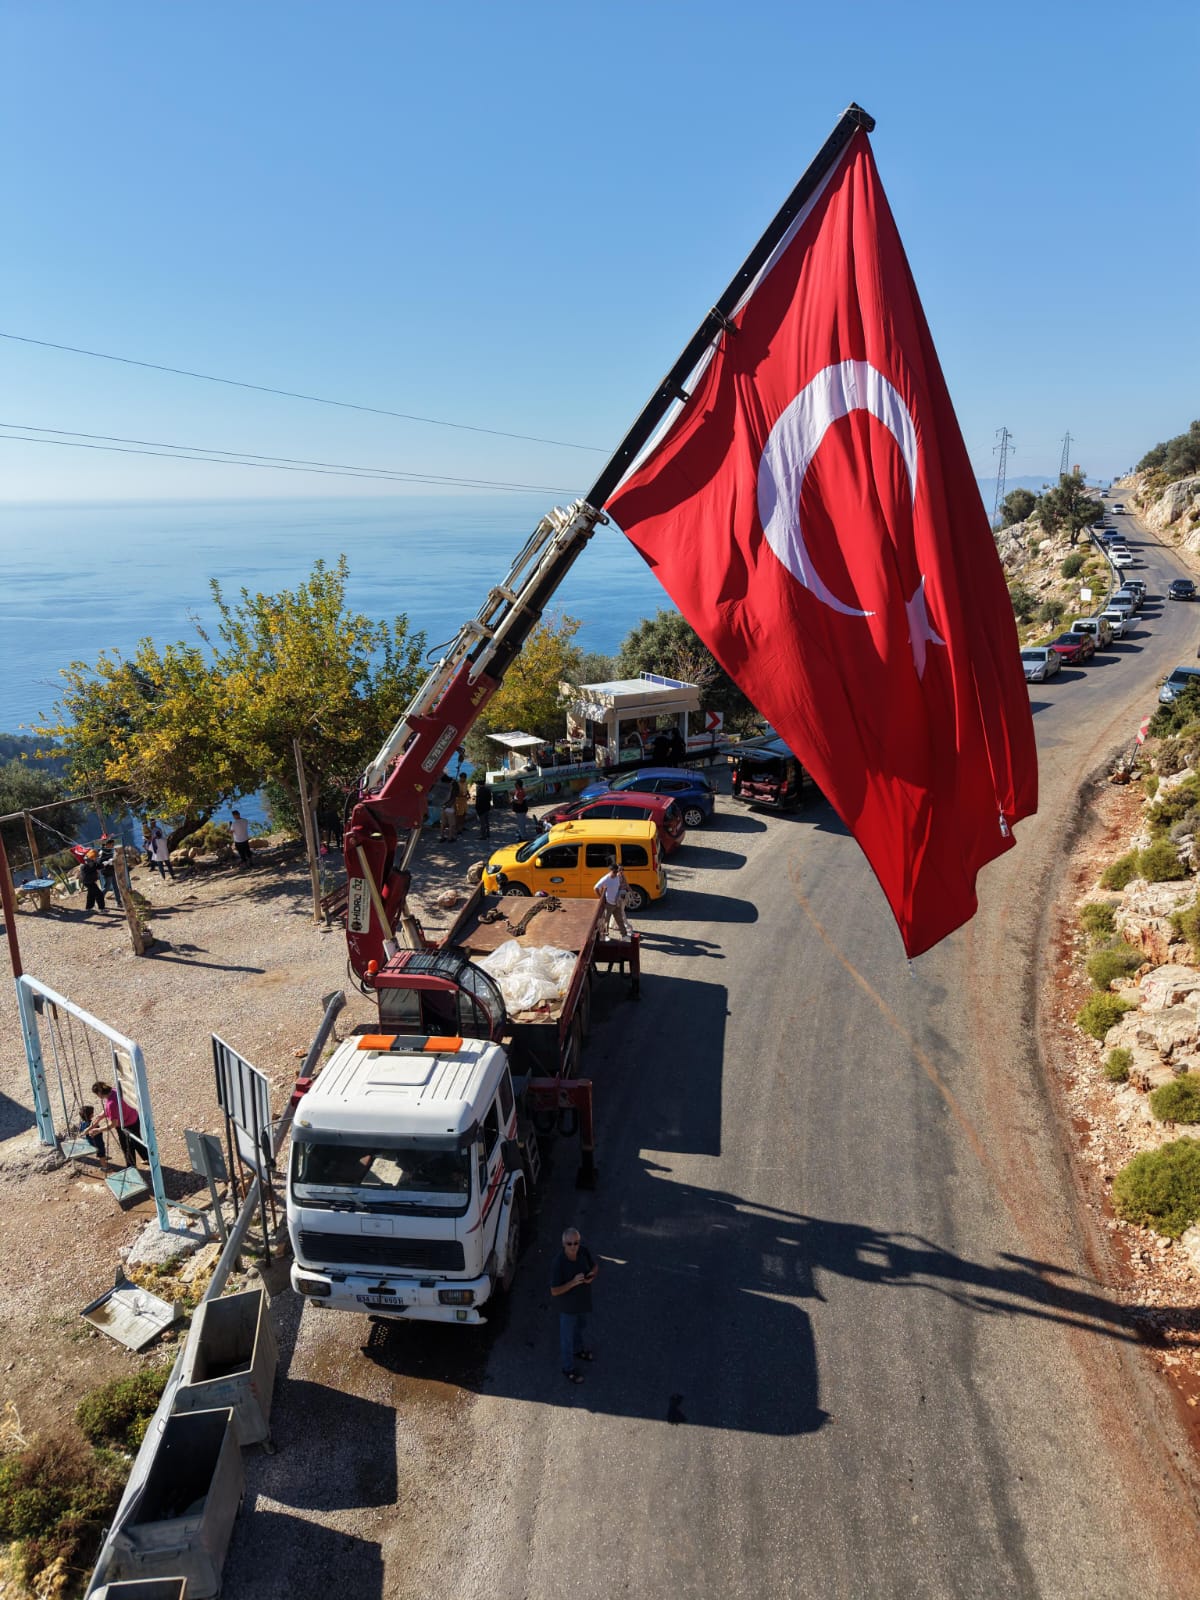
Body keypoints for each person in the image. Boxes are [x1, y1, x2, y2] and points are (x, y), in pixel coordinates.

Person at [550, 1227, 599, 1383]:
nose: (573, 1247)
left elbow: (595, 1267)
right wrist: (572, 1283)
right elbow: (554, 1291)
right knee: (567, 1338)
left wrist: (592, 1276)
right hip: (568, 1307)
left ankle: (579, 1350)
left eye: (576, 1243)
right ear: (563, 1244)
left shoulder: (583, 1252)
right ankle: (568, 1368)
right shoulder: (558, 1263)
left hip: (582, 1302)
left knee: (580, 1326)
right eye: (569, 1243)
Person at [86, 1079, 142, 1168]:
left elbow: (113, 1124)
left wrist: (99, 1129)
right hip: (134, 1118)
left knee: (127, 1147)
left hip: (125, 1125)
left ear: (99, 1094)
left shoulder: (111, 1104)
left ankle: (131, 1167)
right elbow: (111, 1110)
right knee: (137, 1140)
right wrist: (100, 1117)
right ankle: (147, 1157)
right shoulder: (114, 1091)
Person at [593, 856, 631, 939]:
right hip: (609, 904)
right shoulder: (606, 879)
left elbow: (618, 887)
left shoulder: (617, 877)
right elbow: (595, 888)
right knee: (606, 921)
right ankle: (606, 936)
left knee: (620, 920)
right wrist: (601, 899)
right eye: (615, 872)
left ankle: (624, 935)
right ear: (611, 871)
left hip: (616, 903)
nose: (616, 873)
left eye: (617, 872)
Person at [79, 849, 107, 914]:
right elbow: (93, 868)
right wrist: (98, 866)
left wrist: (104, 864)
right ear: (92, 857)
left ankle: (89, 908)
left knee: (91, 895)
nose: (96, 858)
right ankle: (101, 909)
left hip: (89, 881)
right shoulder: (86, 864)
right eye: (95, 857)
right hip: (88, 882)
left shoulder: (91, 861)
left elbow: (97, 866)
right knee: (99, 894)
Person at [97, 836, 122, 907]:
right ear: (107, 844)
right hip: (106, 872)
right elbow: (99, 862)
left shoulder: (111, 850)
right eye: (112, 845)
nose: (113, 846)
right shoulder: (102, 851)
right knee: (107, 887)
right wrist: (107, 862)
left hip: (112, 870)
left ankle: (118, 902)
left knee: (115, 886)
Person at [454, 774, 470, 839]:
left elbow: (467, 790)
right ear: (460, 778)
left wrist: (468, 794)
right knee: (459, 816)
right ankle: (458, 829)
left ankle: (462, 827)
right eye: (463, 778)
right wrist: (463, 795)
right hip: (458, 801)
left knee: (464, 814)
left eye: (465, 778)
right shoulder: (457, 784)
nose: (464, 779)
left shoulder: (466, 783)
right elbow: (456, 793)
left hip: (464, 801)